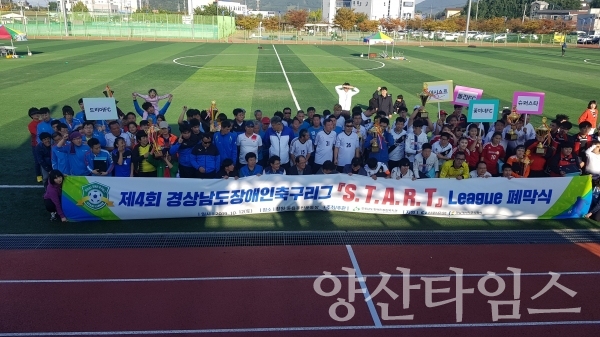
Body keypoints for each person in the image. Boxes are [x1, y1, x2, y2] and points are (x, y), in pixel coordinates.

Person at [28, 108, 43, 182]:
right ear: (31, 116)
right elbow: (37, 133)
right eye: (34, 114)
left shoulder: (42, 122)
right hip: (36, 145)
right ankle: (39, 175)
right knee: (37, 161)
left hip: (44, 144)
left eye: (38, 113)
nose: (37, 115)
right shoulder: (31, 125)